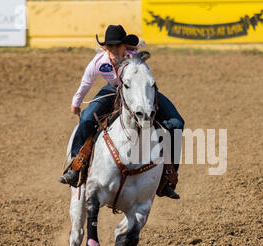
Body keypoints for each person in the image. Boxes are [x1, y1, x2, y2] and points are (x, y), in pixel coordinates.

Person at [58, 25, 184, 199]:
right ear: (105, 48)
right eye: (110, 47)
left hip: (137, 91)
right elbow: (86, 82)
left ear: (125, 46)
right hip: (112, 89)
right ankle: (75, 166)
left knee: (177, 123)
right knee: (87, 117)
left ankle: (168, 176)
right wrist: (76, 102)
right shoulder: (99, 62)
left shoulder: (135, 58)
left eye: (118, 47)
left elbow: (146, 79)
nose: (114, 51)